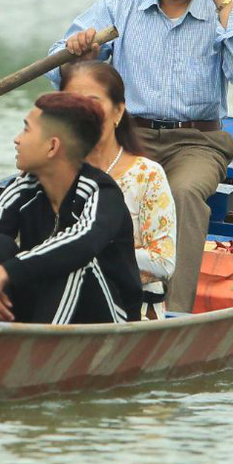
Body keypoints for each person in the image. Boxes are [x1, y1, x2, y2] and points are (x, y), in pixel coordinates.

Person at [51, 0, 233, 314]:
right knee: (89, 186)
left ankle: (173, 314)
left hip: (198, 142)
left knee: (183, 193)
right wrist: (82, 55)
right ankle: (79, 298)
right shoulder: (119, 5)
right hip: (127, 135)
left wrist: (223, 0)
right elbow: (59, 71)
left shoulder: (223, 11)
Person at [0, 93, 139, 325]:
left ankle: (38, 353)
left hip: (108, 321)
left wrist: (3, 273)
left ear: (52, 147)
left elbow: (82, 243)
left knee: (74, 264)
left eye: (26, 130)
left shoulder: (101, 191)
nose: (17, 140)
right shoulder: (23, 188)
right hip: (39, 307)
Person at [62, 60, 178, 309]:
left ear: (118, 112)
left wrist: (80, 257)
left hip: (131, 308)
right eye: (73, 104)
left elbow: (163, 262)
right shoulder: (52, 172)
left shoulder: (147, 175)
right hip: (58, 304)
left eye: (93, 102)